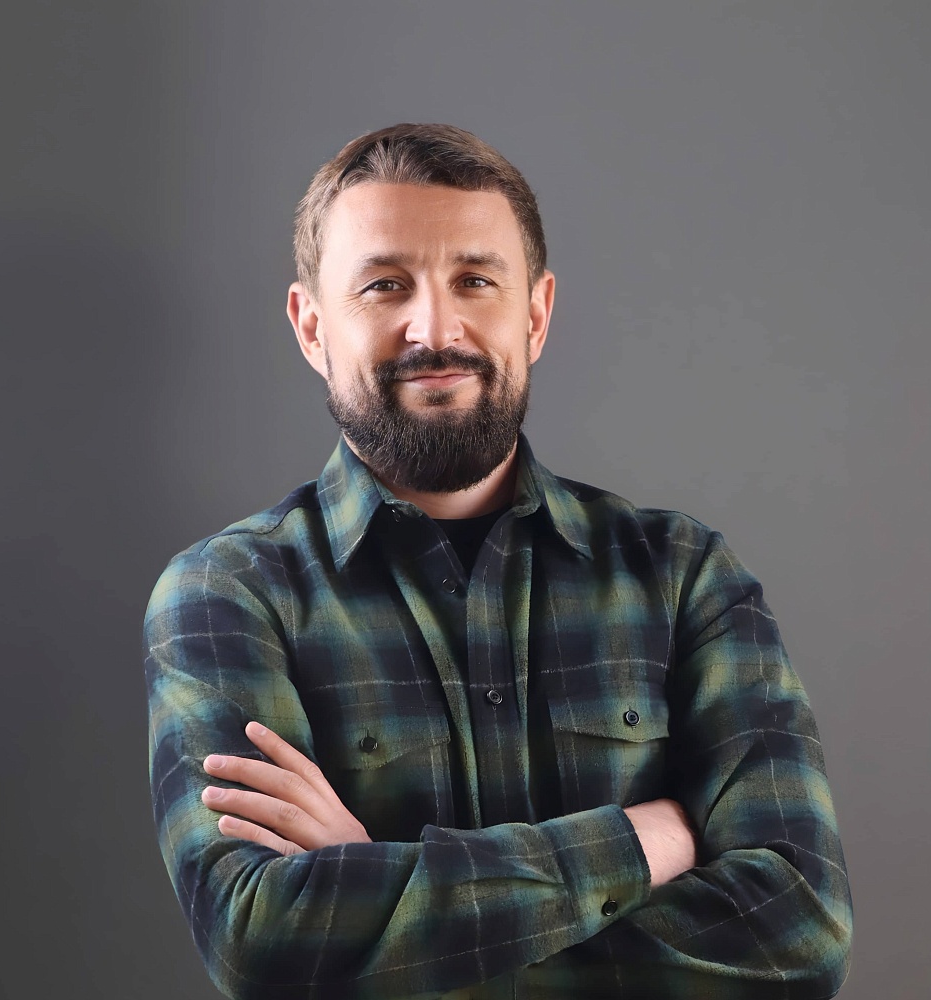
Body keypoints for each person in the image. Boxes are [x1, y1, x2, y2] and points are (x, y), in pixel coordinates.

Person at [144, 123, 852, 999]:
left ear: (536, 315)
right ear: (312, 326)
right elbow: (262, 942)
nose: (435, 328)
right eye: (384, 285)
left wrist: (382, 919)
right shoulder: (230, 594)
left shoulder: (683, 576)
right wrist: (643, 843)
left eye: (475, 280)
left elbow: (799, 932)